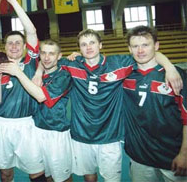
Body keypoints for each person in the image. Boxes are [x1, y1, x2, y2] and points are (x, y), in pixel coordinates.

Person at [55, 29, 182, 182]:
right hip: (81, 135)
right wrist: (37, 73)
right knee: (89, 177)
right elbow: (45, 60)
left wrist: (169, 67)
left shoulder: (119, 63)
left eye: (92, 43)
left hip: (110, 137)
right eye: (84, 44)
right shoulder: (72, 64)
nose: (88, 47)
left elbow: (149, 54)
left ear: (101, 45)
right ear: (79, 49)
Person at [0, 0, 45, 182]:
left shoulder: (30, 62)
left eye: (18, 43)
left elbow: (31, 30)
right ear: (4, 47)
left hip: (27, 125)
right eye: (10, 43)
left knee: (36, 171)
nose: (14, 46)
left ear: (24, 47)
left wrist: (11, 0)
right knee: (5, 173)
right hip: (2, 125)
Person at [0, 40, 73, 182]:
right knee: (47, 175)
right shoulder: (36, 74)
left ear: (59, 56)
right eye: (43, 53)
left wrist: (19, 73)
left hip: (56, 134)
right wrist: (38, 72)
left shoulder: (63, 76)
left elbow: (40, 96)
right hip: (36, 131)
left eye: (51, 53)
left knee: (62, 178)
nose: (46, 57)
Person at [123, 26, 187, 182]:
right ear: (129, 49)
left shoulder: (175, 76)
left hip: (171, 157)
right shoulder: (124, 77)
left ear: (156, 46)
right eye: (135, 46)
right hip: (139, 158)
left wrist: (184, 154)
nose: (140, 50)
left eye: (145, 45)